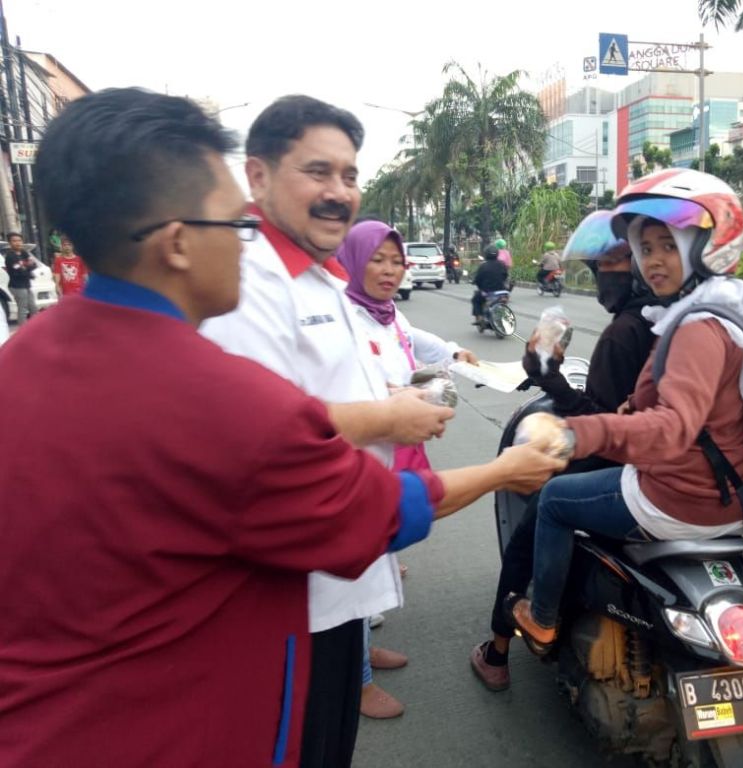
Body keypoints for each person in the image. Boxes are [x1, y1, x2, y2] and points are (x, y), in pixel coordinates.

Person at [0, 87, 564, 768]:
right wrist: (506, 470)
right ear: (177, 244)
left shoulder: (25, 356)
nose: (246, 245)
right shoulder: (211, 393)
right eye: (233, 225)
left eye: (349, 174)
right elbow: (380, 509)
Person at [197, 95, 542, 768]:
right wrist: (396, 419)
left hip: (340, 562)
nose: (338, 192)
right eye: (317, 172)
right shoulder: (249, 286)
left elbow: (328, 392)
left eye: (349, 175)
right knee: (306, 745)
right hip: (294, 590)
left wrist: (394, 400)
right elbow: (259, 437)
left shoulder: (322, 279)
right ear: (258, 176)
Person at [509, 169, 743, 651]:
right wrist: (631, 408)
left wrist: (575, 434)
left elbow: (673, 428)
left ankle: (542, 617)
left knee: (554, 501)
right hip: (737, 493)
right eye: (645, 248)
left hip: (682, 496)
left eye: (669, 245)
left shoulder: (696, 328)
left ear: (706, 247)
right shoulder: (728, 311)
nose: (653, 260)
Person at [469, 210, 661, 691]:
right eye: (599, 267)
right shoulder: (674, 322)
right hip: (668, 465)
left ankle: (500, 650)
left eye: (613, 264)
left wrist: (548, 376)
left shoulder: (624, 332)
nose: (603, 277)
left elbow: (602, 421)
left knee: (531, 531)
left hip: (622, 465)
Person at [336, 219, 479, 719]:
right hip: (356, 455)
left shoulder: (387, 314)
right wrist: (396, 397)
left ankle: (361, 651)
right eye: (377, 260)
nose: (389, 270)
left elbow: (415, 339)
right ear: (354, 261)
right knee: (355, 564)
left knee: (377, 554)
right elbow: (346, 389)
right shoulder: (344, 317)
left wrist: (455, 354)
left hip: (392, 448)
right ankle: (356, 683)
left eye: (396, 261)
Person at [4, 232, 37, 324]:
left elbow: (34, 265)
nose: (17, 243)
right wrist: (27, 268)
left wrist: (25, 266)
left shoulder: (23, 252)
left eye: (19, 240)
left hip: (26, 284)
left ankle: (36, 327)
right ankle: (23, 329)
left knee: (33, 307)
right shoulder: (10, 256)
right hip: (17, 286)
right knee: (23, 308)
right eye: (14, 241)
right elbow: (19, 271)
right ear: (10, 243)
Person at [471, 243, 509, 324]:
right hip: (502, 292)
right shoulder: (502, 264)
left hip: (488, 292)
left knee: (475, 299)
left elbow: (478, 279)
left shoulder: (483, 266)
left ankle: (479, 317)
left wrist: (477, 283)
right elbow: (505, 276)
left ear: (486, 254)